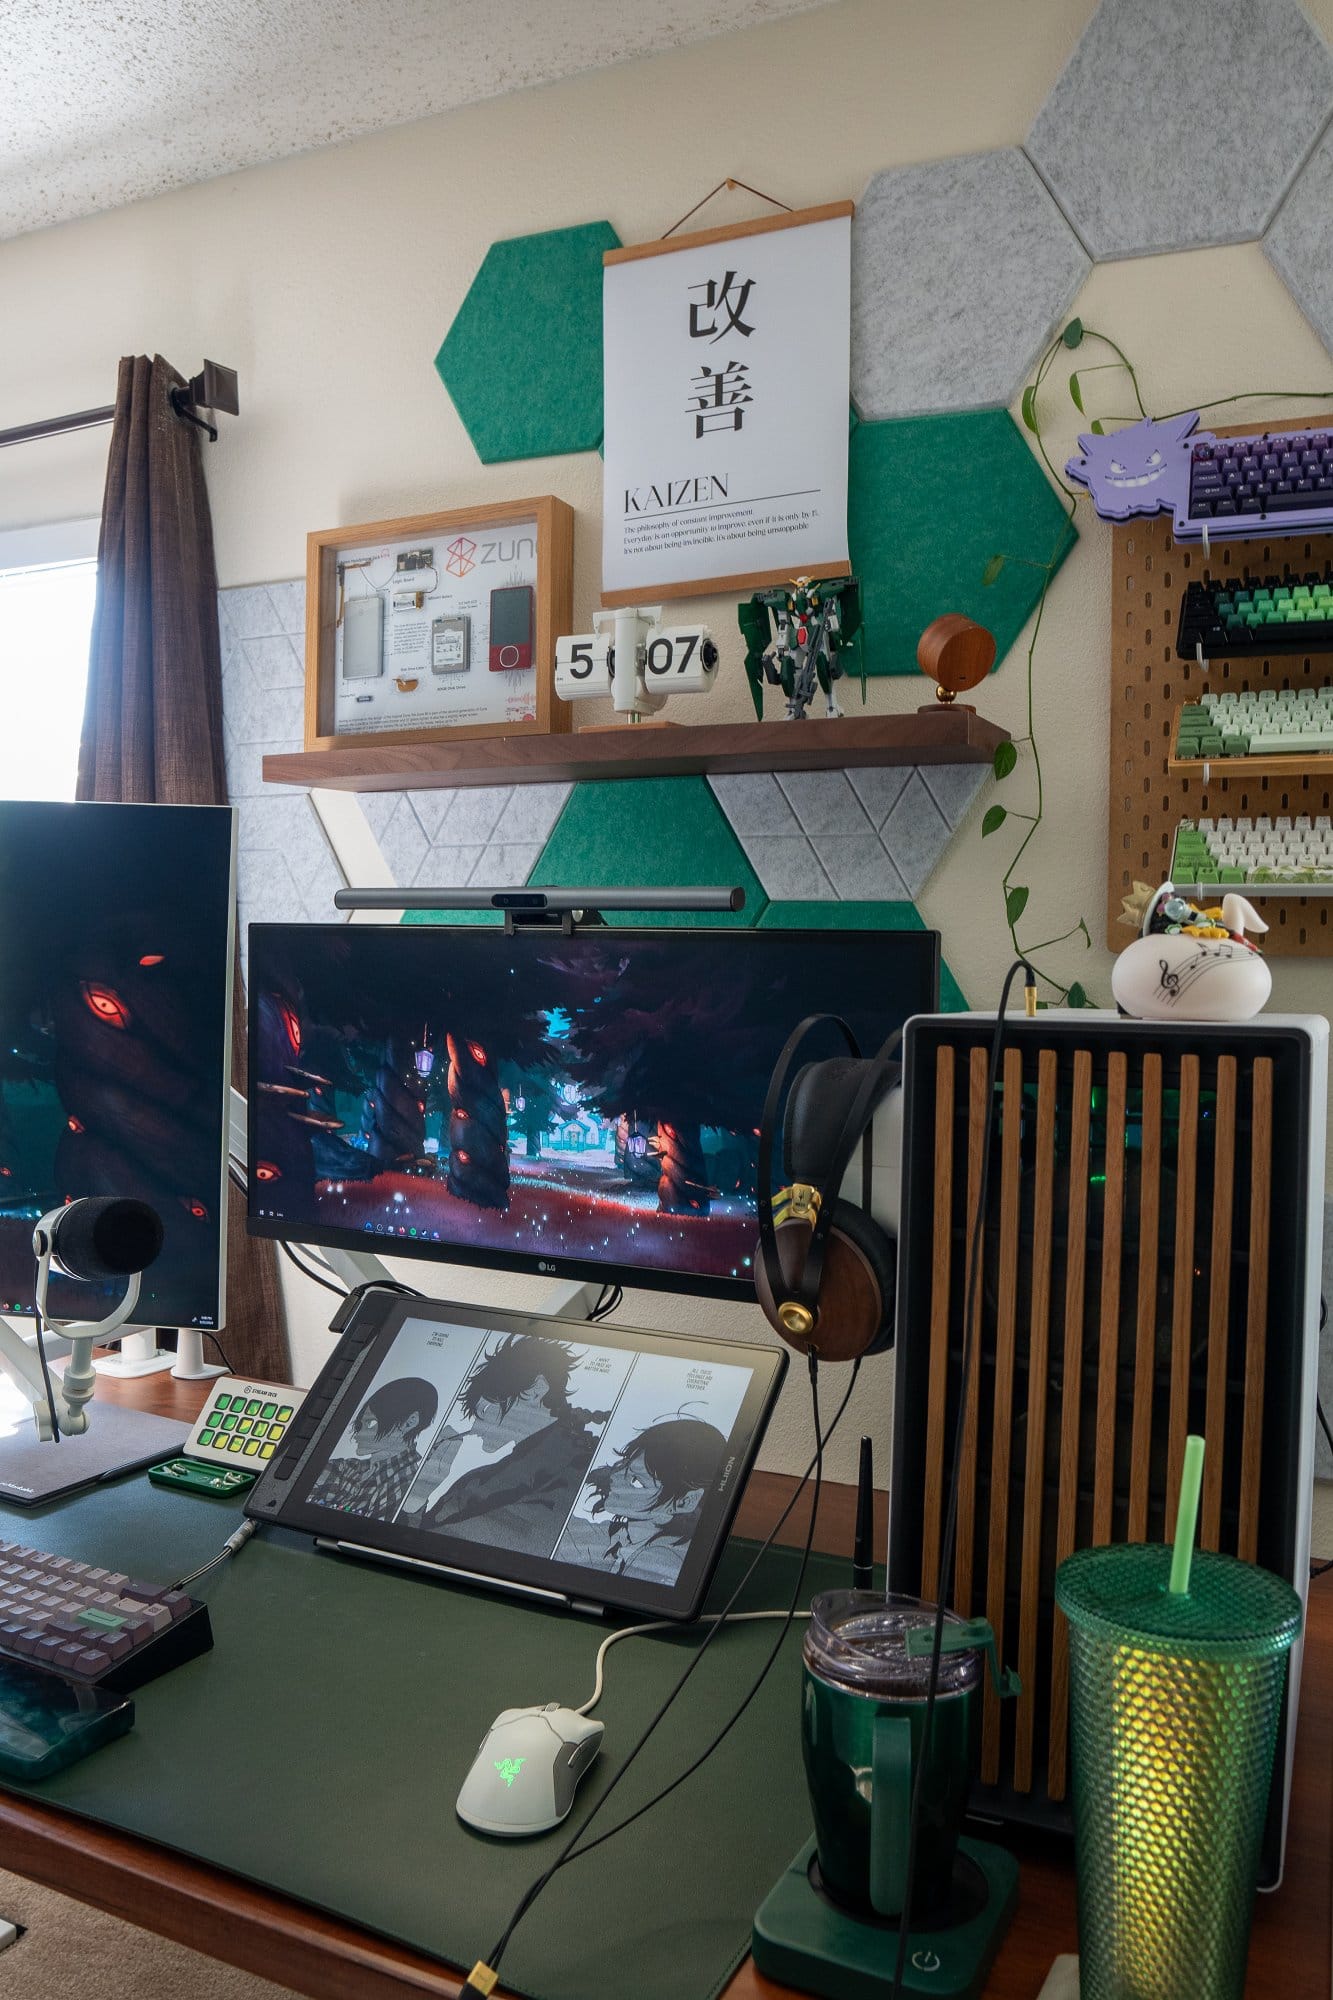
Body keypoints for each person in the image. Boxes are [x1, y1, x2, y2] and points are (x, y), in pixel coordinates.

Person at [416, 1333, 608, 1557]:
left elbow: (465, 1547)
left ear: (536, 1389)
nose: (476, 1427)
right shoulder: (502, 1469)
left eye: (485, 1411)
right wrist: (422, 1488)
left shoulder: (570, 1467)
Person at [557, 1416, 727, 1587]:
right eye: (623, 1464)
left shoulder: (662, 1557)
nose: (614, 1477)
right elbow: (567, 1533)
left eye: (637, 1481)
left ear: (685, 1501)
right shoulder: (623, 1536)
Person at [308, 1375, 438, 1523]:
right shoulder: (343, 1467)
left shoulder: (409, 1482)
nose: (357, 1435)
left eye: (370, 1423)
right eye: (359, 1425)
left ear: (410, 1422)